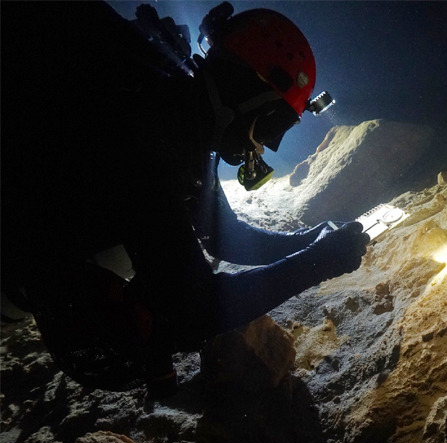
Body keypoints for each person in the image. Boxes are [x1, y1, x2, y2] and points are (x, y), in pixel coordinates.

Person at [0, 1, 370, 397]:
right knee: (133, 334)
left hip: (67, 229)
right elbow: (195, 312)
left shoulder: (181, 116)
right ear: (247, 87)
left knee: (159, 270)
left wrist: (308, 241)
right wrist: (321, 262)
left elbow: (221, 237)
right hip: (13, 258)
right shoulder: (147, 128)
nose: (271, 144)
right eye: (275, 122)